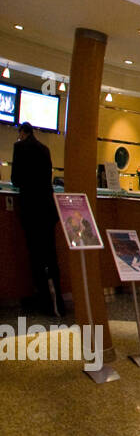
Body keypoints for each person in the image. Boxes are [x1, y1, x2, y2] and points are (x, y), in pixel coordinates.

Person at [11, 122, 64, 316]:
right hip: (48, 210)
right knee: (51, 255)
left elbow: (15, 179)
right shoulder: (45, 149)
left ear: (22, 133)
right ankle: (59, 301)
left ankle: (46, 304)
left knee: (36, 257)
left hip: (31, 210)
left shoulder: (19, 147)